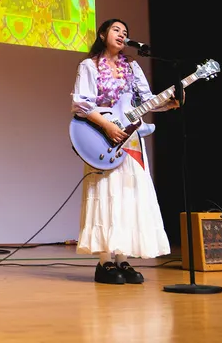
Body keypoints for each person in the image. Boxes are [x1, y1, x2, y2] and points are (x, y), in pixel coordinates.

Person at [72, 18, 177, 285]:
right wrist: (107, 125)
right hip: (102, 138)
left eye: (126, 32)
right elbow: (81, 103)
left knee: (129, 195)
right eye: (116, 30)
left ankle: (122, 259)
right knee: (106, 193)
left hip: (131, 140)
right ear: (102, 34)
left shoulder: (132, 66)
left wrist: (168, 103)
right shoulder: (89, 66)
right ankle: (104, 261)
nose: (122, 34)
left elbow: (146, 100)